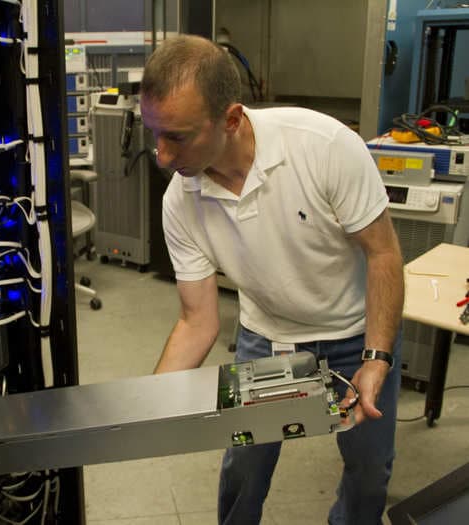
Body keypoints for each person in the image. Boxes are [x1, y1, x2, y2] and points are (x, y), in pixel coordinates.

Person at [139, 34, 404, 525]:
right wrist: (150, 406)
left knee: (369, 474)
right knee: (244, 466)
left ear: (232, 119)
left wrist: (377, 356)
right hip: (269, 339)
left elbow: (384, 254)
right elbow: (197, 322)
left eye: (176, 136)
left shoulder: (324, 147)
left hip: (354, 334)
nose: (161, 156)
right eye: (153, 133)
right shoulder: (181, 200)